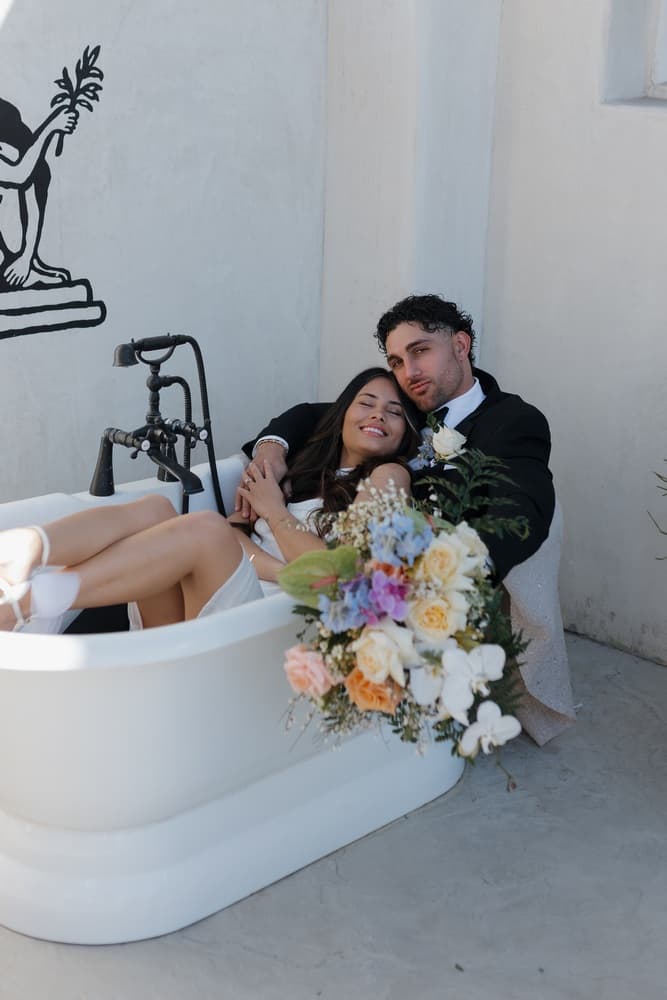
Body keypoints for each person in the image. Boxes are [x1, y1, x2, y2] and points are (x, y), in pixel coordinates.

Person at [240, 294, 575, 745]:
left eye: (420, 352)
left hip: (420, 588)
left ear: (460, 344)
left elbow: (520, 516)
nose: (408, 372)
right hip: (356, 570)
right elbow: (314, 415)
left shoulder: (512, 421)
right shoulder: (408, 406)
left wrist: (440, 579)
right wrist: (271, 452)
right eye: (397, 361)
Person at [0, 368, 415, 632]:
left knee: (202, 527)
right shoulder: (298, 472)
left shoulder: (388, 477)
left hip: (275, 623)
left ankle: (31, 601)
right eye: (366, 403)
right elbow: (235, 532)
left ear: (405, 434)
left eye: (394, 412)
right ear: (342, 413)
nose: (378, 415)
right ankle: (26, 549)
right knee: (157, 509)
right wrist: (277, 564)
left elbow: (337, 572)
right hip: (232, 597)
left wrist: (271, 509)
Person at [0, 102, 78, 289]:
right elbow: (19, 174)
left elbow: (33, 209)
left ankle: (27, 262)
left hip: (17, 254)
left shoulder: (29, 178)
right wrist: (52, 125)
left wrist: (27, 259)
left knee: (35, 176)